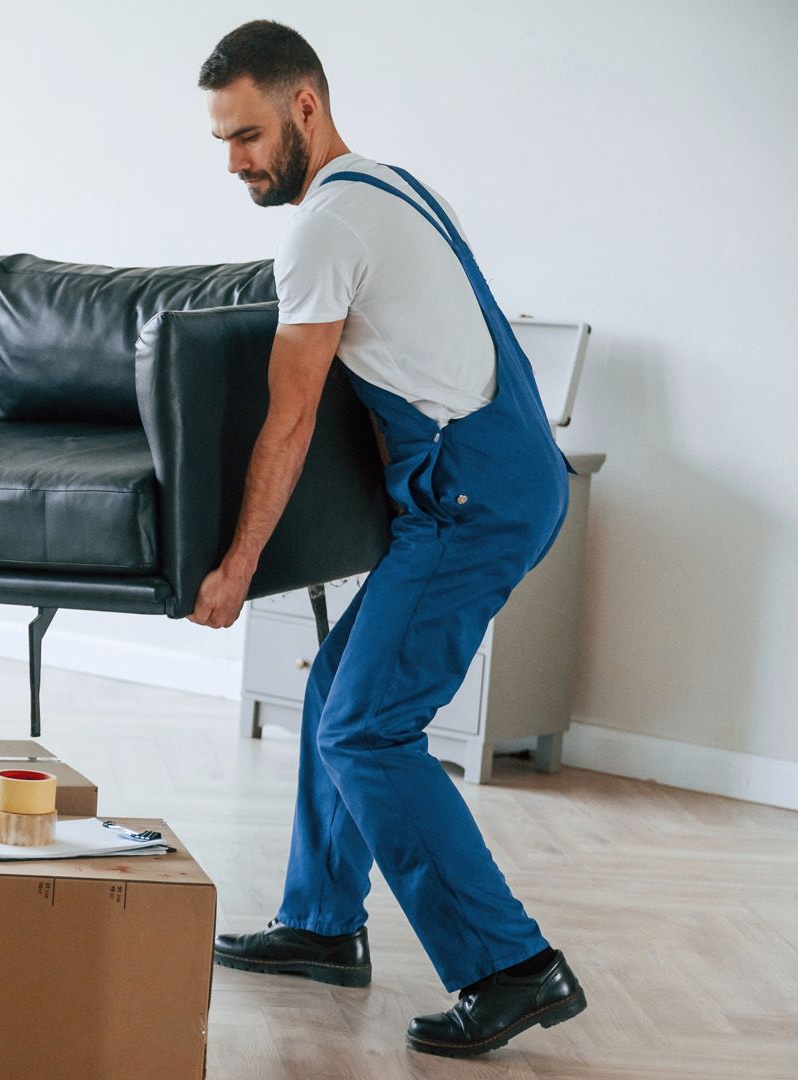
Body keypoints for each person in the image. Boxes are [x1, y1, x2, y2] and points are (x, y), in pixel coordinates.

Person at [193, 20, 587, 1058]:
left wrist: (236, 568)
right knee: (335, 694)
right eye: (223, 141)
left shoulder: (323, 229)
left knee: (365, 730)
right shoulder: (392, 185)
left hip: (471, 496)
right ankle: (322, 925)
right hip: (498, 472)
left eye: (246, 135)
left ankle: (512, 966)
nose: (234, 162)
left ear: (305, 107)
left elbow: (288, 421)